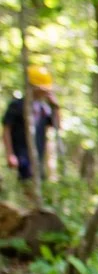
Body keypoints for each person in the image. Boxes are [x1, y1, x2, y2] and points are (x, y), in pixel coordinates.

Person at [5, 61, 59, 192]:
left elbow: (57, 126)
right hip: (21, 154)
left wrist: (56, 107)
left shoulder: (44, 109)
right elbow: (6, 130)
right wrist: (10, 154)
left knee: (38, 186)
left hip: (38, 156)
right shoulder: (17, 105)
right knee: (25, 185)